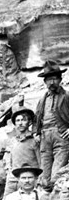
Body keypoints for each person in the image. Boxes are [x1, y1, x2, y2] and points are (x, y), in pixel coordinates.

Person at [34, 61, 69, 192]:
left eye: (54, 78)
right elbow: (37, 117)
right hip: (44, 137)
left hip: (61, 136)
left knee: (57, 175)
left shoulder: (66, 96)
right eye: (48, 79)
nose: (51, 82)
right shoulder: (42, 99)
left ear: (60, 79)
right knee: (44, 177)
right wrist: (35, 132)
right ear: (45, 82)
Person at [5, 106, 38, 195]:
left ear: (29, 122)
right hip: (13, 179)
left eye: (23, 120)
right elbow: (9, 159)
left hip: (30, 179)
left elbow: (41, 161)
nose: (20, 123)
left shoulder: (35, 140)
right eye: (17, 121)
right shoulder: (12, 141)